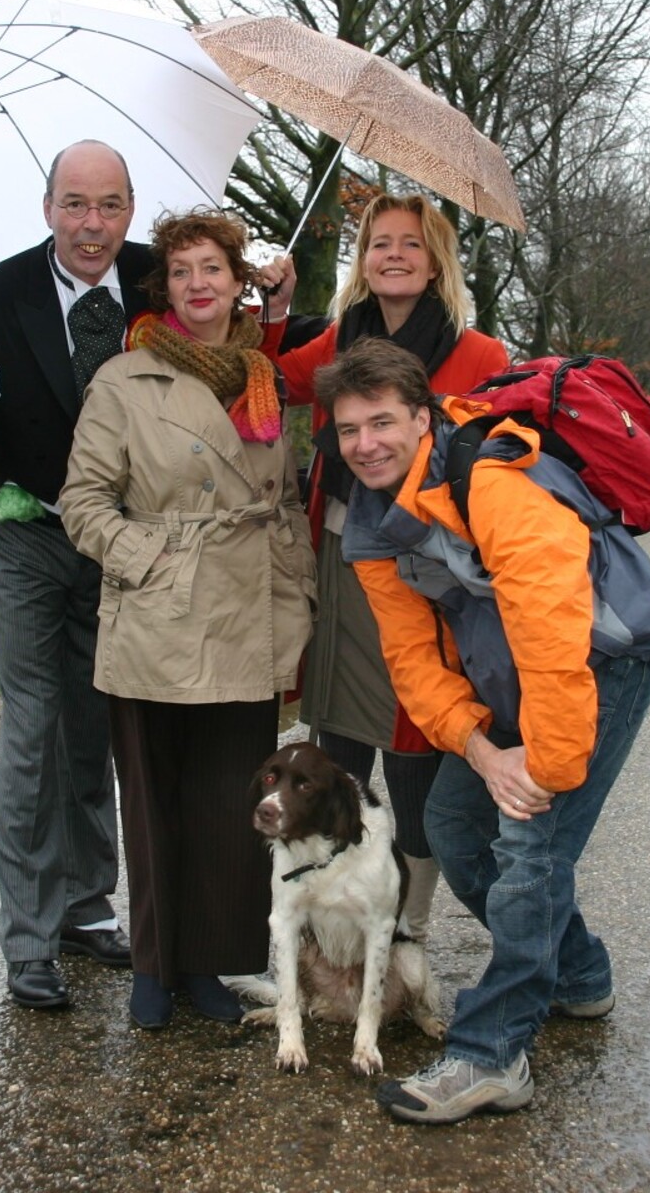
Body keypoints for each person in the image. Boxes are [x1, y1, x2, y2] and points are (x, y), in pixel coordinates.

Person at [316, 338, 650, 1124]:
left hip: (601, 658)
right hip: (509, 679)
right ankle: (579, 976)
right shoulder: (373, 521)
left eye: (382, 422)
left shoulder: (491, 479)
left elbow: (556, 632)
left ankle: (494, 1055)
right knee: (452, 824)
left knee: (529, 847)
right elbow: (411, 664)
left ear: (423, 417)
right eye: (349, 430)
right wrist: (484, 753)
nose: (366, 444)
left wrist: (541, 771)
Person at [60, 207, 315, 1029]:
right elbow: (83, 502)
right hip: (160, 616)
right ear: (163, 287)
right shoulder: (124, 380)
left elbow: (282, 495)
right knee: (154, 802)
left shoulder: (262, 375)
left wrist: (296, 594)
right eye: (181, 271)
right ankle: (153, 966)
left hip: (248, 614)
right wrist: (150, 560)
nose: (198, 284)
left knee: (226, 803)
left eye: (213, 268)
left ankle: (212, 966)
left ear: (239, 279)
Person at [0, 140, 147, 1010]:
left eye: (111, 205)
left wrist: (269, 293)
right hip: (26, 537)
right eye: (76, 205)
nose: (93, 226)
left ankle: (87, 909)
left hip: (117, 543)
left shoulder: (158, 283)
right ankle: (29, 938)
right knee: (34, 726)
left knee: (94, 726)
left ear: (131, 208)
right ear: (48, 207)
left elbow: (247, 344)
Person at [257, 194, 508, 945]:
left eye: (410, 243)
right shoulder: (340, 338)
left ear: (436, 261)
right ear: (362, 260)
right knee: (335, 730)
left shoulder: (480, 355)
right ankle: (331, 914)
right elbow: (272, 378)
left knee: (412, 735)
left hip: (421, 565)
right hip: (338, 554)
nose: (393, 254)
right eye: (378, 244)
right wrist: (274, 307)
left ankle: (409, 920)